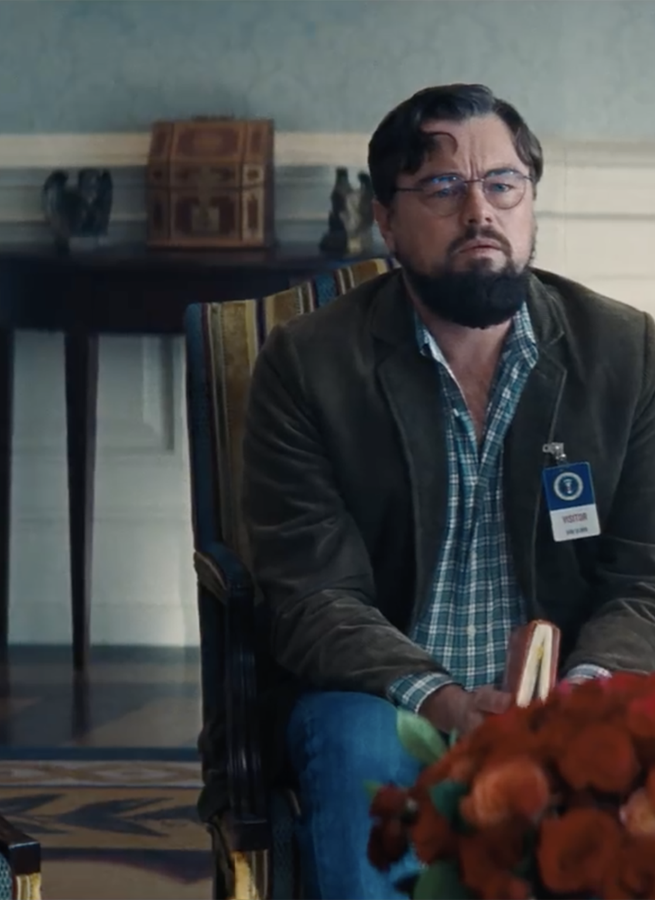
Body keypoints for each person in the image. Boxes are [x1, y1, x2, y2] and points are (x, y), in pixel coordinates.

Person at [242, 83, 655, 900]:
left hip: (571, 691)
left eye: (503, 184)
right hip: (382, 693)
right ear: (386, 222)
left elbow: (644, 581)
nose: (480, 211)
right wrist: (446, 701)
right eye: (441, 186)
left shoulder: (628, 355)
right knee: (358, 746)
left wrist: (571, 704)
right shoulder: (308, 365)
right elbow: (313, 595)